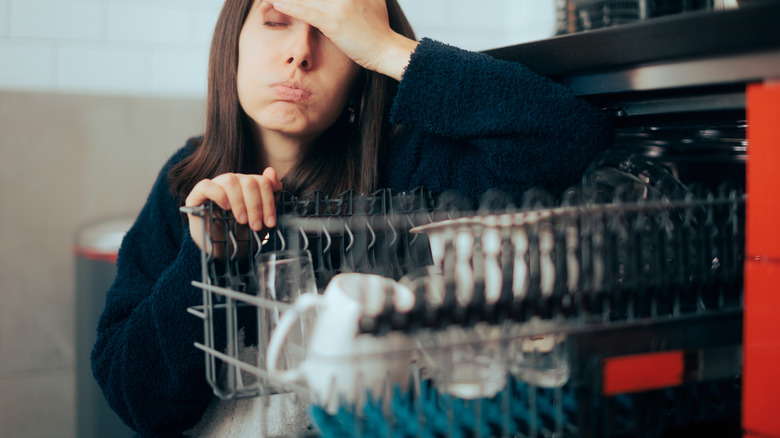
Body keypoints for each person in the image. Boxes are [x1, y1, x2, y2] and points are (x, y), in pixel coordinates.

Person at [91, 0, 613, 436]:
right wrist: (208, 261)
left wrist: (388, 48)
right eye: (277, 21)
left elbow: (571, 138)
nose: (300, 52)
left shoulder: (413, 166)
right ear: (233, 44)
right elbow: (135, 399)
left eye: (335, 33)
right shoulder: (183, 187)